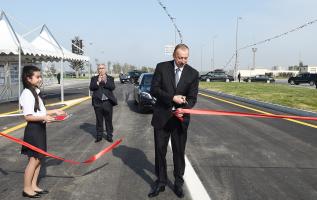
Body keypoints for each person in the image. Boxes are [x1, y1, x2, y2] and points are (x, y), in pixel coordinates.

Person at [148, 44, 199, 198]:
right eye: (180, 58)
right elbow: (154, 89)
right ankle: (161, 182)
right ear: (174, 56)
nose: (183, 61)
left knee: (178, 152)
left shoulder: (193, 73)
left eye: (186, 58)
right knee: (160, 152)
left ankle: (178, 183)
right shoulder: (162, 68)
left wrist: (184, 106)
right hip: (162, 118)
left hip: (180, 120)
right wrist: (171, 98)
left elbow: (192, 98)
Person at [20, 65, 66, 198]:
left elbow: (40, 111)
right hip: (33, 130)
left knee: (40, 159)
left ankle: (33, 186)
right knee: (33, 160)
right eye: (37, 77)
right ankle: (27, 188)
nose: (40, 79)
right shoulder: (27, 93)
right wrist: (44, 117)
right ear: (28, 78)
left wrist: (55, 111)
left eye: (40, 76)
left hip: (40, 128)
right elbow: (28, 116)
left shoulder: (35, 91)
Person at [90, 64, 117, 143]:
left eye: (102, 68)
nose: (101, 70)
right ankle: (99, 136)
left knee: (108, 120)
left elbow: (112, 87)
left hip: (107, 103)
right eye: (99, 68)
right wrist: (97, 82)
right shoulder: (94, 78)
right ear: (97, 70)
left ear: (105, 69)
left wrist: (105, 81)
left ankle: (109, 136)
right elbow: (91, 87)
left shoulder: (110, 78)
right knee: (99, 121)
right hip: (97, 103)